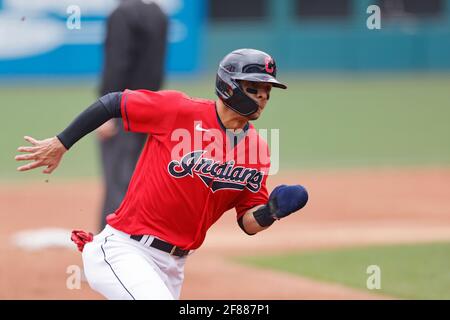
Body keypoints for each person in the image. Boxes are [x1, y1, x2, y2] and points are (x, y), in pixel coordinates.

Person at [15, 48, 309, 300]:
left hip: (173, 267)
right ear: (228, 85)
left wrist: (270, 211)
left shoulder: (257, 149)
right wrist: (62, 142)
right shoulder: (179, 111)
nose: (262, 97)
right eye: (254, 88)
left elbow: (247, 222)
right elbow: (113, 102)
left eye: (267, 91)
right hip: (125, 250)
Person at [96, 0, 168, 230]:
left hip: (122, 108)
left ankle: (110, 248)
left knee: (118, 182)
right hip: (150, 106)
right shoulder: (158, 14)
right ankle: (142, 242)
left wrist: (106, 113)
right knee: (140, 180)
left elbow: (117, 64)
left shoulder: (122, 14)